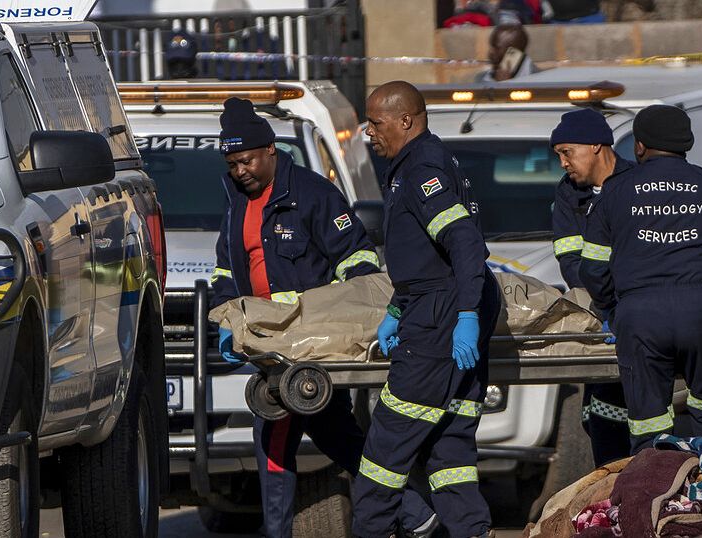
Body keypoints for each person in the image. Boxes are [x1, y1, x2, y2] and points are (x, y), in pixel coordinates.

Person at [209, 98, 438, 538]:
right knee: (334, 439)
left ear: (270, 150)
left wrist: (347, 318)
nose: (240, 171)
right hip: (269, 347)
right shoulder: (235, 201)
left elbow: (357, 260)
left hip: (315, 344)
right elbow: (226, 268)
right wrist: (226, 318)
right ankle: (415, 514)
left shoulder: (313, 194)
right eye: (232, 163)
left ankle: (411, 513)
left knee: (289, 441)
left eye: (247, 161)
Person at [353, 81, 501, 538]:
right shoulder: (417, 164)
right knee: (449, 448)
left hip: (442, 312)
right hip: (440, 303)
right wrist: (398, 308)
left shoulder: (421, 170)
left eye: (376, 123)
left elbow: (463, 241)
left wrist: (465, 314)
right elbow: (426, 255)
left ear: (405, 120)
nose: (368, 133)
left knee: (385, 452)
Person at [579, 104, 702, 454]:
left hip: (640, 317)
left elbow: (593, 267)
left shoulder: (616, 191)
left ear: (640, 146)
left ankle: (655, 497)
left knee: (649, 422)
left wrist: (610, 311)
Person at [549, 108, 633, 465]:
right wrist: (606, 301)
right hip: (602, 318)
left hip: (642, 315)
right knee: (597, 416)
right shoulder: (569, 195)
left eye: (568, 152)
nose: (564, 163)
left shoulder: (637, 182)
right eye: (559, 155)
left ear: (597, 145)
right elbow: (571, 263)